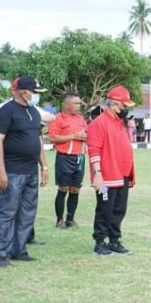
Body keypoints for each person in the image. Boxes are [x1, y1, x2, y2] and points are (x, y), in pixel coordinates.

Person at [0, 76, 49, 267]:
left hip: (31, 170)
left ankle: (19, 250)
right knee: (7, 212)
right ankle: (1, 254)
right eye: (34, 92)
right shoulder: (6, 111)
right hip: (13, 171)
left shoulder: (33, 111)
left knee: (27, 212)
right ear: (24, 92)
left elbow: (38, 140)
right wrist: (1, 171)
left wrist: (44, 166)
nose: (35, 96)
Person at [87, 86, 136, 256]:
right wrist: (97, 174)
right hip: (106, 177)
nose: (126, 110)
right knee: (105, 210)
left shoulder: (119, 123)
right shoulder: (98, 124)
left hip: (122, 175)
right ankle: (100, 242)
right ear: (114, 105)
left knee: (119, 210)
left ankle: (114, 240)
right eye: (124, 106)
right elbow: (93, 150)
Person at [48, 93, 88, 229]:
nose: (79, 106)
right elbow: (53, 138)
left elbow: (87, 133)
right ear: (66, 105)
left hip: (80, 157)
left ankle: (70, 219)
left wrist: (86, 136)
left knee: (75, 189)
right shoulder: (57, 118)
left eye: (79, 103)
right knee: (63, 188)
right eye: (76, 103)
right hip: (65, 158)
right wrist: (74, 136)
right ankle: (60, 220)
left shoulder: (81, 119)